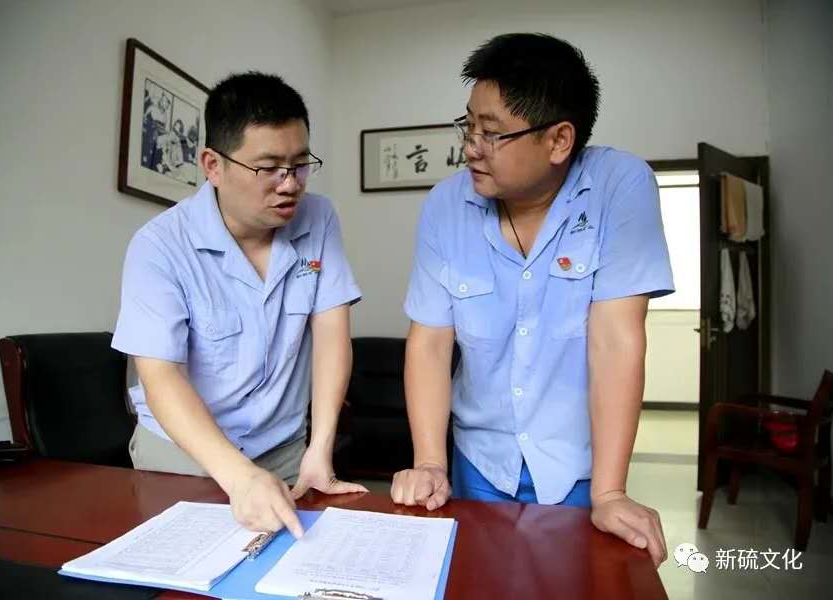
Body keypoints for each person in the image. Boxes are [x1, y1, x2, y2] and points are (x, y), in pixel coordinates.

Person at [390, 33, 673, 566]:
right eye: (468, 126)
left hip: (579, 467)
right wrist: (429, 462)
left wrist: (611, 492)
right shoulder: (446, 205)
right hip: (477, 459)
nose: (470, 147)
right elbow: (429, 342)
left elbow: (615, 340)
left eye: (491, 133)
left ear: (559, 140)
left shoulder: (620, 186)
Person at [112, 71, 366, 538]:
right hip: (185, 457)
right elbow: (161, 376)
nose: (290, 184)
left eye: (300, 164)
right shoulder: (159, 247)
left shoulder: (318, 217)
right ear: (213, 165)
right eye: (269, 168)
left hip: (284, 449)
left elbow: (331, 333)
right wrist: (240, 477)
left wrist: (320, 446)